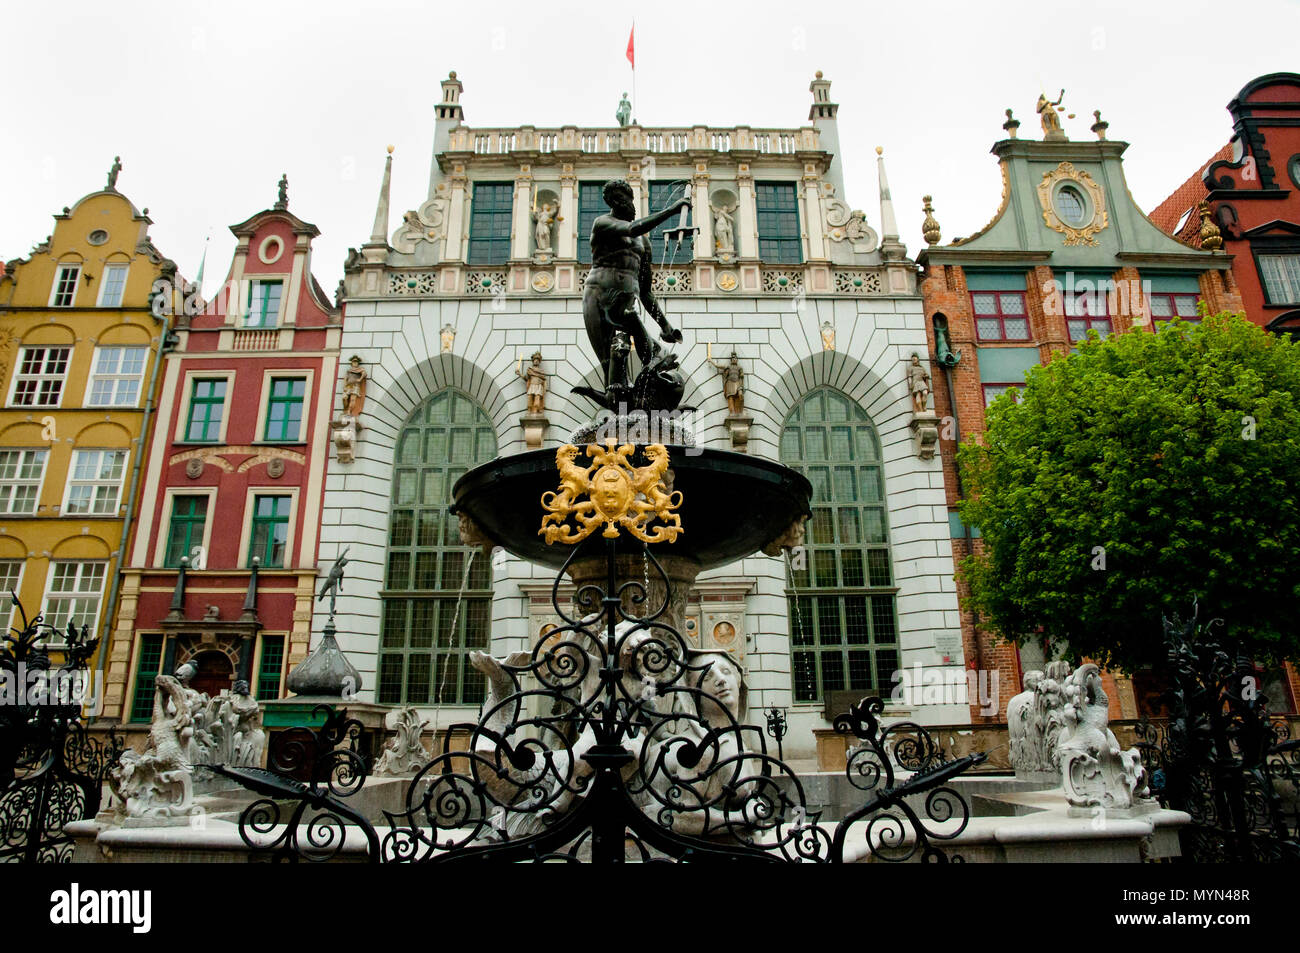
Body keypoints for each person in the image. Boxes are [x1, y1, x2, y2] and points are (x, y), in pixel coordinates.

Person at [581, 179, 688, 402]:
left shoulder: (643, 244)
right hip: (600, 299)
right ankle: (620, 408)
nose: (628, 204)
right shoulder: (602, 223)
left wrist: (665, 325)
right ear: (611, 202)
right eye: (620, 200)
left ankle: (638, 406)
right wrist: (672, 210)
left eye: (629, 199)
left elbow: (646, 292)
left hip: (626, 302)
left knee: (647, 355)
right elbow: (632, 228)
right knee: (611, 364)